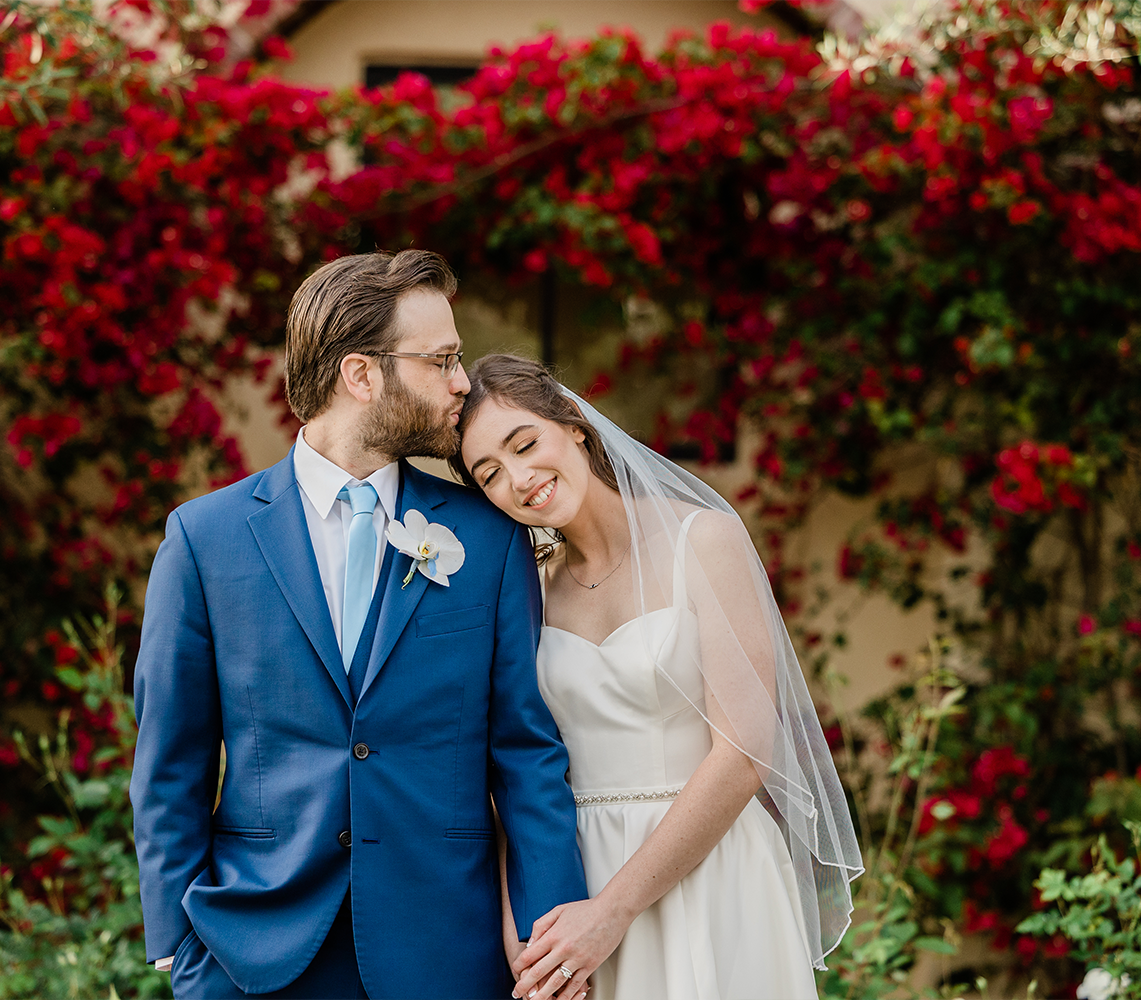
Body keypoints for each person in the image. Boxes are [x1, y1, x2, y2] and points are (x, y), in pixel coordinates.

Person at [130, 254, 587, 1000]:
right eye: (441, 360)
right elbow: (168, 760)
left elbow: (526, 753)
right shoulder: (203, 541)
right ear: (361, 374)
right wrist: (178, 946)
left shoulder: (489, 539)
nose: (462, 381)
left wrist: (549, 939)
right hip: (252, 953)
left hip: (446, 953)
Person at [453, 355, 864, 1000]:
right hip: (574, 890)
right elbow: (516, 769)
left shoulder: (703, 540)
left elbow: (746, 751)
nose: (520, 477)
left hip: (707, 871)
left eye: (526, 443)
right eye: (490, 474)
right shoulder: (525, 590)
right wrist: (521, 926)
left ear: (575, 427)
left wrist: (612, 911)